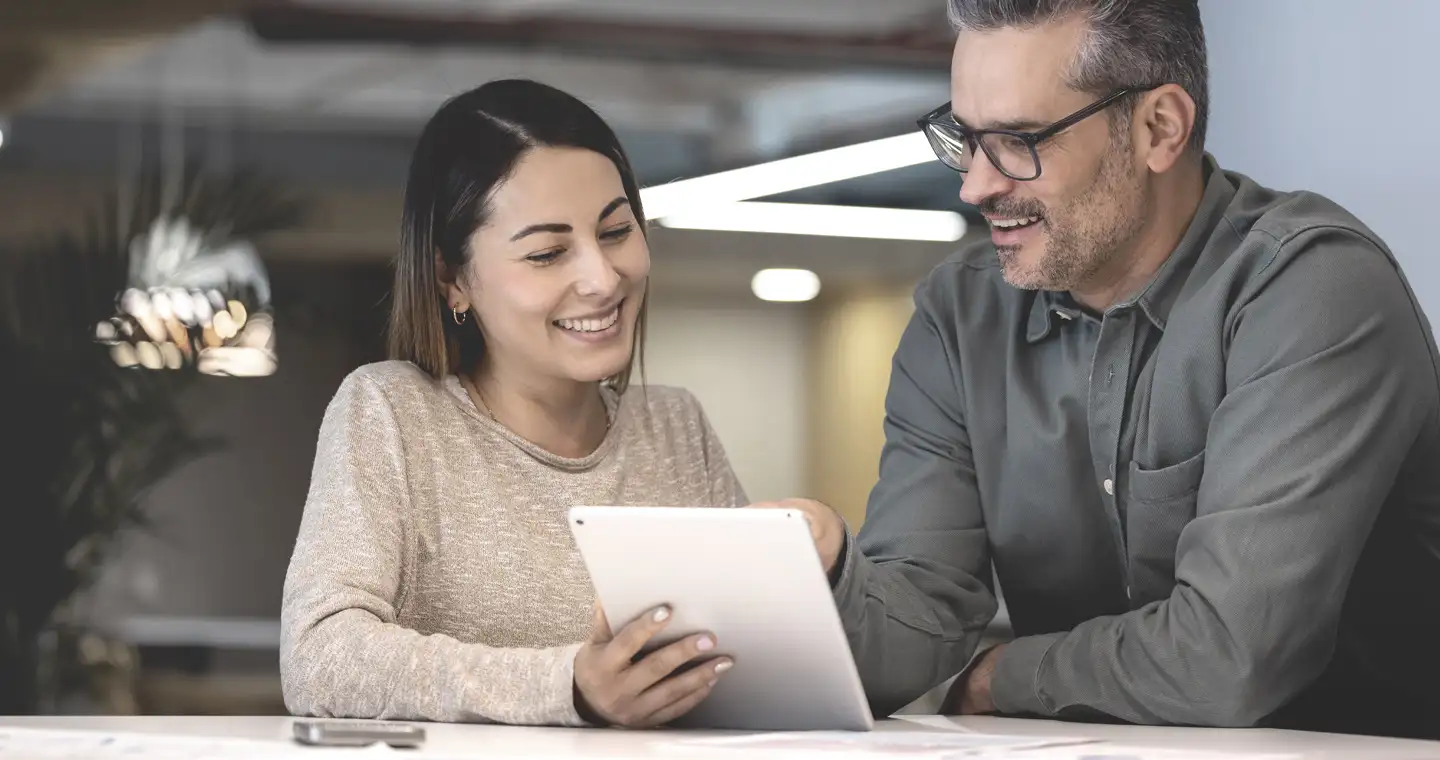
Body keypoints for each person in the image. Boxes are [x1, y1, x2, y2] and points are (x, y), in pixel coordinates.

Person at [759, 0, 1440, 738]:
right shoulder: (959, 318)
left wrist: (1003, 675)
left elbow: (1230, 659)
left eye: (1019, 140)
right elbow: (915, 632)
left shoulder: (1311, 288)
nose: (975, 186)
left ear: (1159, 128)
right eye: (966, 137)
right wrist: (828, 573)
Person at [280, 79, 744, 728]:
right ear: (452, 279)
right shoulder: (390, 412)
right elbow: (319, 657)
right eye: (548, 253)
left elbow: (749, 664)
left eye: (615, 231)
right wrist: (571, 686)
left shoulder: (675, 425)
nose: (602, 278)